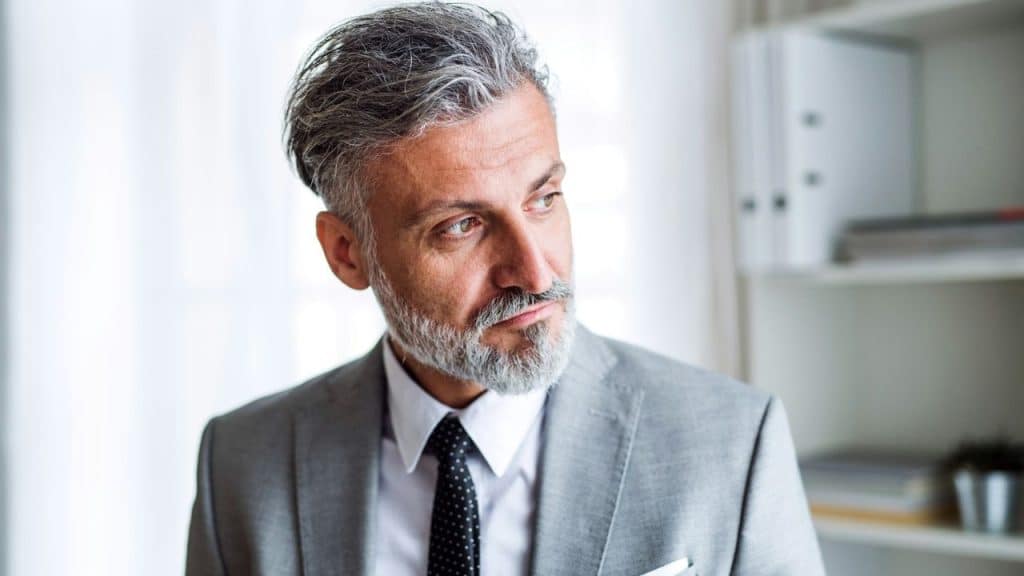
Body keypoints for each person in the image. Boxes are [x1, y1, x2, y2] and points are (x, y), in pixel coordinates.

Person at [185, 3, 825, 575]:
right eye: (460, 226)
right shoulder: (241, 465)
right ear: (347, 254)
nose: (537, 274)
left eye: (543, 199)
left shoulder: (733, 443)